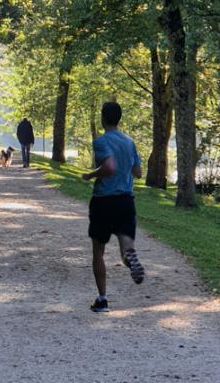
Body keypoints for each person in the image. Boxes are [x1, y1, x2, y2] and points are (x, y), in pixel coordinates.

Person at [82, 101, 144, 313]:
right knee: (126, 249)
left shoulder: (101, 141)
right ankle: (130, 258)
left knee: (98, 252)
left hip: (104, 201)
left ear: (102, 118)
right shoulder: (129, 141)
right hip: (126, 201)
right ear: (119, 118)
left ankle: (102, 300)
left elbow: (109, 166)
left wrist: (91, 175)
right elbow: (138, 172)